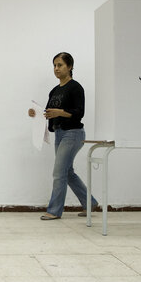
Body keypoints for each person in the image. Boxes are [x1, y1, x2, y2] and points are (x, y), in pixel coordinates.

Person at [28, 52, 98, 220]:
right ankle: (90, 203)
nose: (56, 68)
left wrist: (61, 112)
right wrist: (35, 113)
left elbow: (79, 113)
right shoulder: (54, 91)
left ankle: (54, 210)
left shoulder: (76, 88)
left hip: (73, 134)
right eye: (54, 65)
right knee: (67, 173)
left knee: (58, 172)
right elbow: (48, 113)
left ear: (70, 67)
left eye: (60, 65)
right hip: (60, 134)